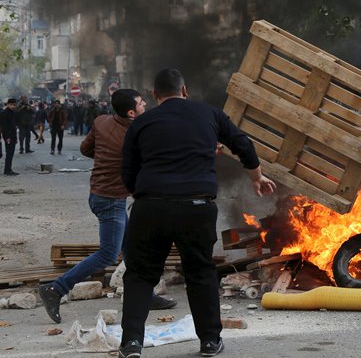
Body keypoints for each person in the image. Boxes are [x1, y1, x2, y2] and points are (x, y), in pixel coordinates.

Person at [118, 68, 276, 358]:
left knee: (140, 275)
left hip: (151, 206)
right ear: (185, 90)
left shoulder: (143, 123)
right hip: (197, 207)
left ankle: (131, 344)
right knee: (201, 273)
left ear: (154, 95)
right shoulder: (209, 114)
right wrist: (256, 177)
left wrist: (143, 193)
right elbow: (243, 144)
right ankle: (209, 342)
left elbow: (128, 170)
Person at [38, 89, 178, 323]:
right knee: (108, 254)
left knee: (132, 250)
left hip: (101, 195)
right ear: (132, 113)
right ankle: (56, 289)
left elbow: (85, 149)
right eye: (142, 104)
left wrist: (106, 158)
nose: (146, 105)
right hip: (111, 200)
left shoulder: (101, 121)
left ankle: (145, 295)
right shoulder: (135, 136)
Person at [0, 99, 19, 176]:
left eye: (14, 105)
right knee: (9, 153)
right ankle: (7, 170)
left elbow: (14, 125)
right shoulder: (4, 113)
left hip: (13, 135)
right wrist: (7, 137)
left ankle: (8, 169)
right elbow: (4, 127)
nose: (13, 106)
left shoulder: (14, 113)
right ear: (7, 104)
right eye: (11, 105)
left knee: (11, 153)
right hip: (8, 136)